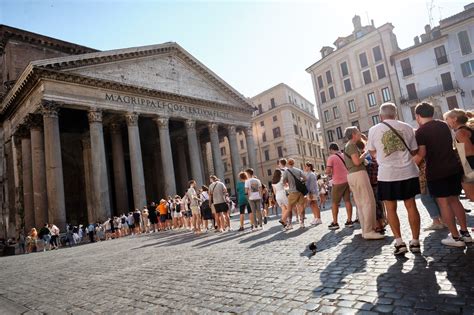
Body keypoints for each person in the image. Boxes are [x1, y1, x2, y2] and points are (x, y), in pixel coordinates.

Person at [414, 102, 471, 246]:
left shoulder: (420, 132)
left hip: (436, 171)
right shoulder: (443, 124)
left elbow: (422, 153)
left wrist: (410, 163)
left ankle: (455, 237)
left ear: (418, 116)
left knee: (443, 203)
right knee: (455, 200)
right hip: (452, 167)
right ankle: (465, 233)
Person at [367, 102, 421, 255]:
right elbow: (415, 150)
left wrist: (381, 158)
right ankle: (415, 241)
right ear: (395, 114)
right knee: (411, 206)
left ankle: (399, 242)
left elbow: (371, 151)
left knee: (390, 208)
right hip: (408, 172)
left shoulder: (374, 130)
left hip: (387, 174)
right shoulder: (407, 127)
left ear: (380, 116)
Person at [344, 127, 385, 240]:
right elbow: (356, 162)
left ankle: (366, 230)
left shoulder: (348, 145)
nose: (359, 134)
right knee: (368, 202)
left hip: (353, 175)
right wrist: (365, 152)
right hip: (358, 174)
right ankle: (369, 231)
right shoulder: (351, 145)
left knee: (362, 203)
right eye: (358, 133)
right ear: (353, 134)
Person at [444, 109, 474, 201]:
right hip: (469, 165)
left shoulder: (460, 132)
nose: (446, 122)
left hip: (469, 166)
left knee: (471, 196)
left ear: (455, 119)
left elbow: (469, 152)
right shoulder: (466, 129)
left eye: (447, 119)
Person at [325, 143, 354, 230]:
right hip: (347, 180)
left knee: (334, 202)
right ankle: (349, 221)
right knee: (347, 201)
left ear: (330, 149)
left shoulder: (331, 157)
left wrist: (327, 173)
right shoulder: (344, 155)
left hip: (338, 182)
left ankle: (335, 222)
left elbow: (328, 171)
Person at [281, 159, 307, 228]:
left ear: (288, 164)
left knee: (290, 208)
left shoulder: (286, 171)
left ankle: (290, 224)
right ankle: (302, 223)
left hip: (292, 192)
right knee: (301, 206)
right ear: (293, 163)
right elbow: (305, 178)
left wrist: (287, 183)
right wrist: (300, 181)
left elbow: (284, 181)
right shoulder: (298, 170)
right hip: (300, 191)